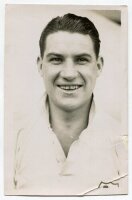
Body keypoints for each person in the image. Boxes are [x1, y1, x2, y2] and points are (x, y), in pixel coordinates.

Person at [13, 13, 127, 195]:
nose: (68, 73)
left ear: (98, 66)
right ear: (40, 66)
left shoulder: (123, 140)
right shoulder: (11, 138)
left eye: (81, 59)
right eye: (56, 59)